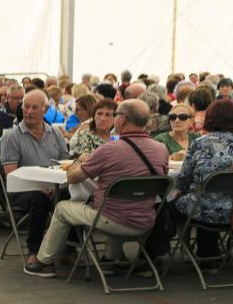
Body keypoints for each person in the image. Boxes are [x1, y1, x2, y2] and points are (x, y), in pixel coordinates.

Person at [25, 100, 168, 277]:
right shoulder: (161, 149)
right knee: (120, 201)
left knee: (62, 208)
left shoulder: (109, 149)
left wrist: (80, 160)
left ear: (122, 119)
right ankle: (109, 260)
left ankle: (43, 262)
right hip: (145, 220)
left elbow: (72, 177)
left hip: (111, 219)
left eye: (114, 115)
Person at [0, 89, 69, 268]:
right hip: (22, 189)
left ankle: (69, 248)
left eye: (34, 107)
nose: (29, 111)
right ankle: (34, 251)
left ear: (45, 110)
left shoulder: (55, 134)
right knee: (39, 198)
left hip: (54, 186)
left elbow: (65, 164)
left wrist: (53, 187)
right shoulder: (11, 137)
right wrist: (41, 187)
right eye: (26, 107)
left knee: (71, 195)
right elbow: (11, 174)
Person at [170, 99, 233, 262]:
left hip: (202, 209)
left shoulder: (200, 143)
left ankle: (152, 255)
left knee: (167, 206)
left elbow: (184, 179)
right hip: (230, 211)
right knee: (208, 196)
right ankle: (209, 255)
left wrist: (181, 191)